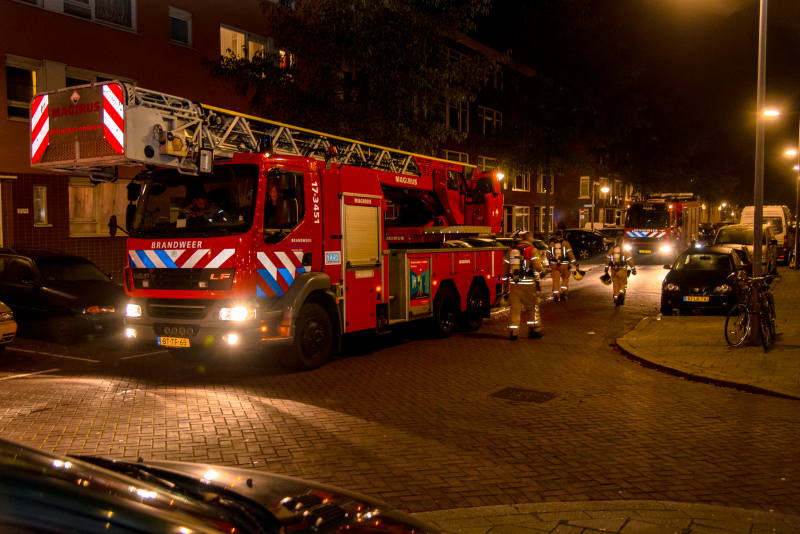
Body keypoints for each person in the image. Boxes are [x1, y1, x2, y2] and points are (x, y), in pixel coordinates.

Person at [507, 232, 544, 340]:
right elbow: (537, 266)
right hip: (528, 284)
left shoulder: (511, 251)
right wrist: (543, 272)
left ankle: (513, 332)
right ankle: (535, 330)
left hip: (514, 283)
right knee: (532, 308)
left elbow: (505, 268)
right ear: (529, 238)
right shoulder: (532, 250)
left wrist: (505, 285)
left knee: (515, 309)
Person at [605, 236, 636, 305]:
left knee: (615, 284)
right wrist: (633, 269)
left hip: (614, 270)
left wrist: (606, 269)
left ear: (615, 242)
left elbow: (607, 260)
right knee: (623, 283)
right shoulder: (625, 250)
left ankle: (616, 298)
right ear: (622, 242)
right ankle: (621, 294)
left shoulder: (611, 250)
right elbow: (630, 261)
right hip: (622, 270)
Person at [547, 229, 577, 301]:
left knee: (555, 280)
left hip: (554, 265)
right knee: (565, 278)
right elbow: (570, 254)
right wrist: (575, 262)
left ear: (555, 235)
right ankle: (563, 292)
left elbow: (547, 255)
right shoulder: (566, 243)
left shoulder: (551, 244)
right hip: (564, 265)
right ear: (562, 235)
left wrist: (549, 262)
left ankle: (556, 295)